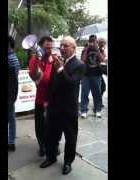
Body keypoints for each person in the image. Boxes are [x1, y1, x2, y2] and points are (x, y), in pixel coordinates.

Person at [40, 36, 85, 175]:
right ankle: (51, 157)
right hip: (54, 107)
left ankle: (67, 162)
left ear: (73, 47)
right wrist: (47, 101)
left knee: (70, 137)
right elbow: (52, 84)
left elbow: (71, 84)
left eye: (66, 46)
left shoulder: (79, 65)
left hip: (68, 109)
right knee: (51, 135)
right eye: (61, 45)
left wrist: (60, 69)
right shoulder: (57, 62)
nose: (62, 48)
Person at [28, 36, 61, 157]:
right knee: (41, 124)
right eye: (47, 47)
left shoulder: (53, 58)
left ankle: (52, 145)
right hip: (41, 98)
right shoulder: (34, 59)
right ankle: (42, 146)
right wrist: (37, 60)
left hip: (53, 97)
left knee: (53, 124)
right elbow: (35, 76)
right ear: (41, 46)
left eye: (50, 47)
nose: (49, 49)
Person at [80, 34, 105, 118]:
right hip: (86, 75)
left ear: (96, 41)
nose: (92, 43)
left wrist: (97, 50)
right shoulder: (85, 49)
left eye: (93, 41)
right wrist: (87, 49)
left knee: (97, 93)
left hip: (96, 75)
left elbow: (102, 59)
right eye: (90, 41)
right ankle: (84, 110)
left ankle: (97, 110)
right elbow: (82, 60)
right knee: (84, 93)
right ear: (88, 41)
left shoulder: (99, 49)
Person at [8, 35, 20, 151]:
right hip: (11, 94)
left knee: (11, 118)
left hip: (9, 94)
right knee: (11, 118)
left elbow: (13, 78)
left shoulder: (11, 59)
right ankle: (11, 142)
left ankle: (11, 141)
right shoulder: (14, 57)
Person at [97, 37, 107, 107]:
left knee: (103, 87)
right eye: (102, 43)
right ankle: (98, 102)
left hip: (101, 71)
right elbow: (101, 60)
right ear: (99, 43)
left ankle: (99, 101)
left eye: (104, 43)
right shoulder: (97, 50)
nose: (103, 44)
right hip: (96, 71)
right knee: (101, 87)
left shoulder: (102, 50)